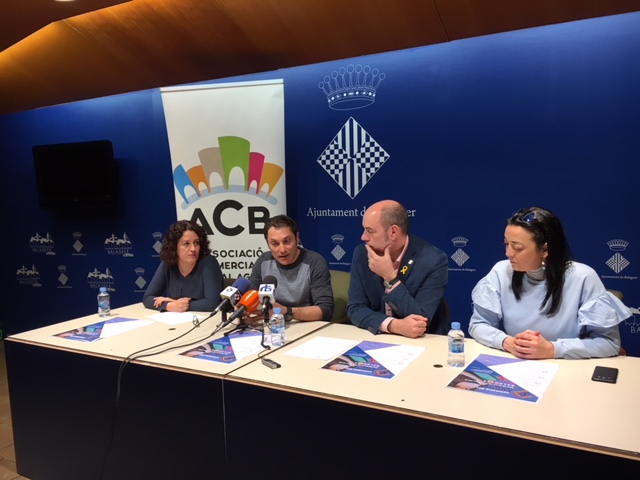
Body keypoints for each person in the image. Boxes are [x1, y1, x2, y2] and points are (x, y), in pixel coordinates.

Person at [469, 207, 631, 359]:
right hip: (517, 364)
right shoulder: (500, 271)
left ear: (545, 249)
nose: (508, 253)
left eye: (517, 248)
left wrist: (553, 349)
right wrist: (507, 342)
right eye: (507, 244)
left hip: (566, 368)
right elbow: (478, 324)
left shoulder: (583, 277)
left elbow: (609, 343)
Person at [347, 200, 449, 338]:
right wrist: (393, 325)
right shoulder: (361, 254)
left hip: (423, 340)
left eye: (370, 231)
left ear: (393, 232)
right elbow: (355, 308)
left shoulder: (433, 260)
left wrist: (390, 279)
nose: (363, 237)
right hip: (377, 336)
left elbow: (420, 320)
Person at [250, 214, 334, 322]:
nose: (282, 250)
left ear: (297, 238)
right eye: (275, 243)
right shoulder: (263, 262)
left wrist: (287, 311)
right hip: (273, 324)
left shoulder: (315, 262)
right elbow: (254, 300)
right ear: (268, 244)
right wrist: (246, 309)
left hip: (306, 325)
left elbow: (326, 310)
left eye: (287, 241)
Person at [143, 220, 224, 312]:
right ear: (174, 246)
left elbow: (212, 304)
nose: (193, 248)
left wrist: (179, 304)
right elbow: (147, 298)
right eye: (186, 244)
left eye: (196, 243)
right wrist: (169, 305)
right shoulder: (168, 264)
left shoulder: (208, 262)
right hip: (176, 319)